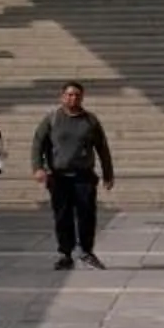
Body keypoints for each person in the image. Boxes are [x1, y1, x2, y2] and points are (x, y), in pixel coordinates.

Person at [31, 80, 114, 270]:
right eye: (69, 95)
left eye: (77, 95)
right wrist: (38, 167)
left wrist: (108, 173)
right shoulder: (52, 119)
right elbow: (38, 143)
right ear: (62, 97)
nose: (73, 98)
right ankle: (65, 254)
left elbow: (102, 148)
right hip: (59, 177)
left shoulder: (90, 121)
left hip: (84, 177)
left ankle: (86, 251)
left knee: (87, 215)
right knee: (62, 217)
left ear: (82, 97)